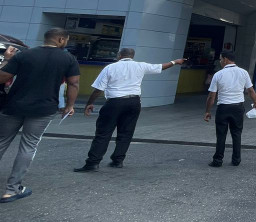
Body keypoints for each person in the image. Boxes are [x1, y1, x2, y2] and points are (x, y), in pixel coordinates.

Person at [0, 28, 80, 203]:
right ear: (60, 39)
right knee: (28, 146)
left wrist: (7, 60)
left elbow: (2, 76)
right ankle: (11, 190)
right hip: (43, 109)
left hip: (14, 105)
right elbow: (74, 83)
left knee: (2, 142)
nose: (66, 42)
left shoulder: (24, 55)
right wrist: (69, 105)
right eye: (66, 40)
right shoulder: (68, 58)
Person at [74, 49, 186, 172]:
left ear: (119, 56)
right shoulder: (140, 66)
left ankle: (92, 163)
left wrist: (90, 103)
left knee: (103, 133)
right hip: (134, 103)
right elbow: (161, 67)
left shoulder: (110, 68)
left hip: (114, 103)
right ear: (132, 56)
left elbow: (98, 89)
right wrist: (175, 62)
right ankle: (118, 161)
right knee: (126, 133)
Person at [204, 51, 256, 167]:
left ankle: (218, 160)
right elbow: (250, 90)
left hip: (223, 108)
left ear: (225, 59)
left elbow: (211, 96)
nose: (220, 61)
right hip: (238, 108)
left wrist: (208, 111)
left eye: (220, 59)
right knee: (236, 133)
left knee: (221, 135)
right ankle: (236, 160)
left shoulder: (218, 74)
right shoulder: (244, 73)